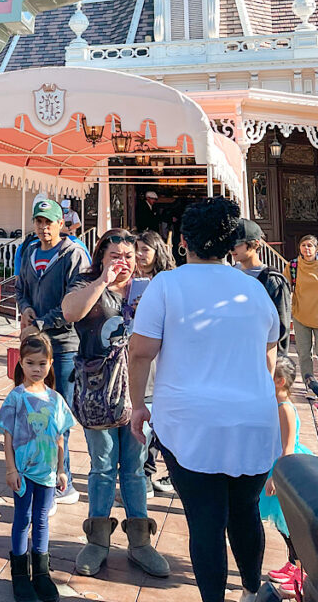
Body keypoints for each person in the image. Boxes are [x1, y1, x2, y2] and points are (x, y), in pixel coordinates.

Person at [129, 196, 281, 602]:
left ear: (182, 241)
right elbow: (269, 360)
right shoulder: (255, 291)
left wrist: (138, 405)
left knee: (207, 519)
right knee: (245, 511)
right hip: (253, 417)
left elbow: (141, 351)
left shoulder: (166, 284)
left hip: (190, 421)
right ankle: (250, 589)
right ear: (231, 243)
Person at [61, 229, 169, 580]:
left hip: (142, 390)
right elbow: (70, 313)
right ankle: (98, 541)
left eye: (129, 255)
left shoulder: (149, 288)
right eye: (115, 256)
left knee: (136, 468)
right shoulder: (86, 283)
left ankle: (140, 543)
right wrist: (103, 281)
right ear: (102, 256)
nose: (124, 261)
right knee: (103, 466)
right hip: (99, 392)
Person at [15, 198, 90, 506]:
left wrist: (44, 322)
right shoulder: (30, 253)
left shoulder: (73, 255)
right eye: (39, 221)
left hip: (64, 345)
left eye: (49, 221)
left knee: (60, 415)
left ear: (62, 223)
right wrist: (26, 308)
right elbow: (20, 289)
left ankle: (64, 480)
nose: (43, 227)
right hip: (36, 345)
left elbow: (77, 298)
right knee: (35, 412)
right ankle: (40, 476)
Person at [0, 334, 73, 602]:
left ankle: (41, 573)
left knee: (41, 521)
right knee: (22, 519)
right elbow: (7, 435)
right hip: (24, 474)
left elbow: (61, 438)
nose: (36, 369)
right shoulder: (15, 397)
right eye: (30, 363)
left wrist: (62, 470)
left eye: (42, 363)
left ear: (50, 363)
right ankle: (19, 574)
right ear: (21, 363)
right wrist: (10, 469)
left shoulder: (56, 399)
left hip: (48, 474)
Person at [261, 355, 313, 598]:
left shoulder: (285, 409)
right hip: (276, 465)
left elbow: (288, 448)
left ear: (280, 381)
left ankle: (300, 571)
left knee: (291, 527)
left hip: (284, 466)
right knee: (283, 527)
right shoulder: (274, 404)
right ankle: (293, 564)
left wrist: (276, 478)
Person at [134, 230, 174, 497]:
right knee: (146, 421)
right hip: (140, 356)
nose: (139, 255)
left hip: (164, 358)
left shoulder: (168, 282)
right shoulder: (133, 281)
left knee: (162, 419)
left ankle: (169, 471)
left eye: (144, 249)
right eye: (136, 249)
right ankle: (145, 474)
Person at [231, 218, 291, 356]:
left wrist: (278, 361)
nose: (232, 249)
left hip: (263, 355)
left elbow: (282, 328)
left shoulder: (272, 280)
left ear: (255, 244)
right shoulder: (231, 274)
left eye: (237, 243)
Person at [289, 233, 318, 394]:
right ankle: (310, 386)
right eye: (303, 245)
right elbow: (285, 286)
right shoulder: (293, 266)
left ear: (316, 248)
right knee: (304, 352)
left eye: (310, 245)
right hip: (300, 315)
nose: (306, 249)